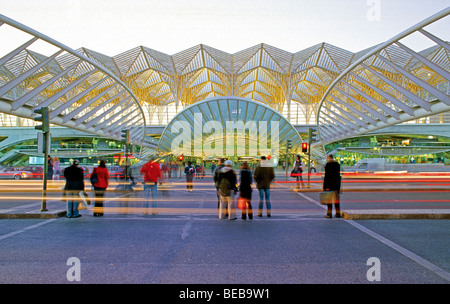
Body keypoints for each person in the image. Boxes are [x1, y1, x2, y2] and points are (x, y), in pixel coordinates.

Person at [323, 154, 342, 218]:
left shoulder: (328, 165)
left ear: (329, 158)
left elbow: (326, 177)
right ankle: (338, 213)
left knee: (329, 201)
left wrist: (325, 187)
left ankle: (329, 214)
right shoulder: (337, 164)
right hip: (336, 186)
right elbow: (338, 176)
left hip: (329, 186)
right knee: (336, 201)